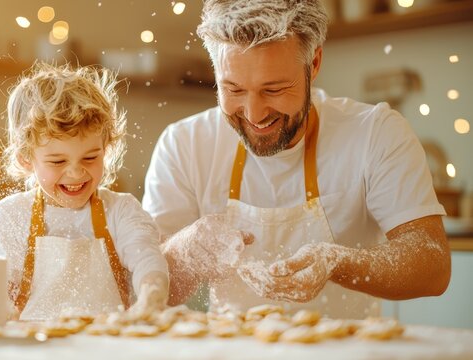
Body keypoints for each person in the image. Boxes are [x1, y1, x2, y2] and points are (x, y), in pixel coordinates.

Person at [142, 0, 450, 319]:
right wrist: (186, 251)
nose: (254, 113)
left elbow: (432, 265)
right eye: (233, 90)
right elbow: (143, 293)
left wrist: (339, 262)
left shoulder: (375, 132)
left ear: (313, 63)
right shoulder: (184, 144)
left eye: (273, 90)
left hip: (347, 350)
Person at [0, 62, 168, 321]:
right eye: (58, 162)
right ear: (26, 158)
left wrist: (152, 296)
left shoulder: (120, 211)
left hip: (107, 344)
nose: (76, 173)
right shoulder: (10, 215)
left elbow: (147, 259)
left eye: (90, 157)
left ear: (107, 148)